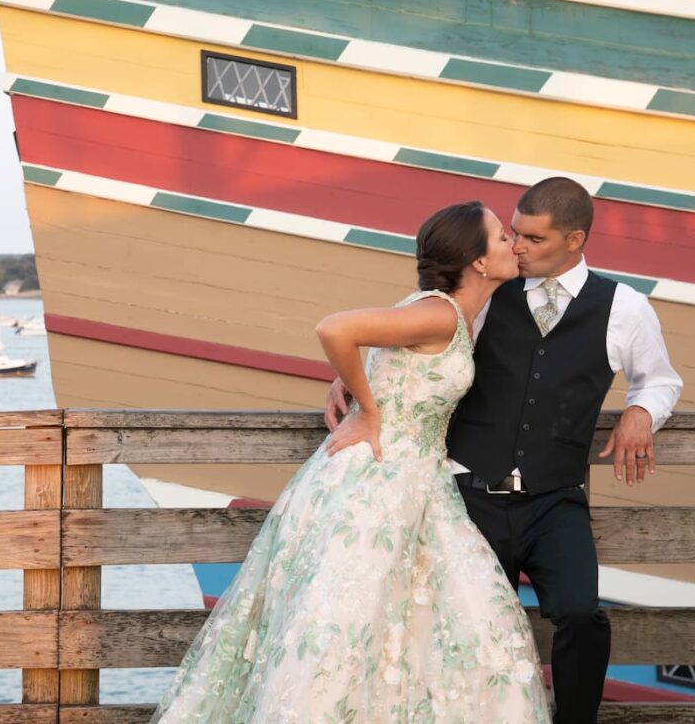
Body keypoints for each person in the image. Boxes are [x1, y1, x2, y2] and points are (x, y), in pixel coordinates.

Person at [153, 202, 553, 723]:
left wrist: (359, 378)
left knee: (445, 621)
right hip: (377, 484)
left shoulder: (446, 312)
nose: (513, 245)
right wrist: (367, 406)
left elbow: (393, 360)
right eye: (502, 237)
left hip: (419, 486)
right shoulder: (437, 312)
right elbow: (335, 328)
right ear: (477, 261)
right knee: (347, 627)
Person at [326, 177, 682, 724]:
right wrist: (354, 381)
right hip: (470, 496)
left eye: (533, 239)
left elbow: (659, 381)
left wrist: (641, 412)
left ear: (575, 239)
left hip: (553, 500)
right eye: (512, 234)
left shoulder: (624, 309)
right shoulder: (489, 291)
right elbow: (415, 343)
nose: (516, 246)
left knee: (581, 614)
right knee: (455, 621)